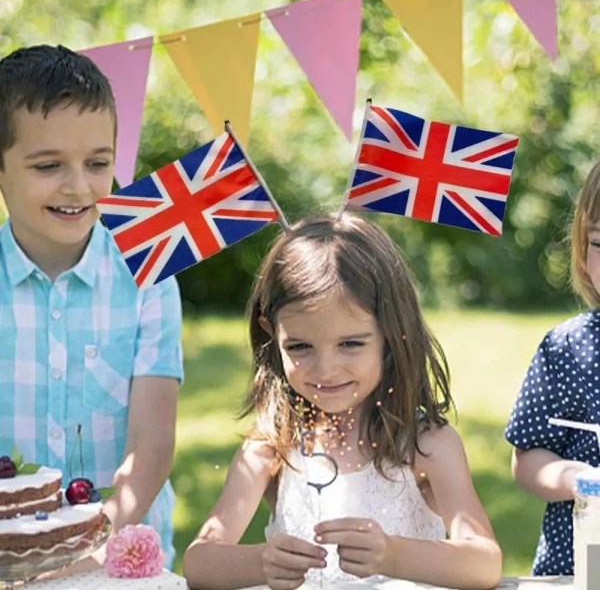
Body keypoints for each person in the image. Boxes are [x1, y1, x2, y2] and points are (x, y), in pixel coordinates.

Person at [184, 213, 502, 590]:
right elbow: (199, 561)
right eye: (300, 346)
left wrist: (392, 554)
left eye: (351, 344)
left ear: (392, 332)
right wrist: (260, 561)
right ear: (272, 334)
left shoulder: (425, 445)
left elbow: (484, 564)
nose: (326, 369)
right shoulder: (272, 445)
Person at [0, 45, 183, 570]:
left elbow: (152, 441)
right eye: (48, 165)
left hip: (119, 558)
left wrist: (97, 543)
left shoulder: (148, 273)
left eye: (97, 163)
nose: (78, 186)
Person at [505, 161, 600, 576]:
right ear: (581, 247)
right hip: (580, 562)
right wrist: (577, 479)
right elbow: (527, 458)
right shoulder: (567, 348)